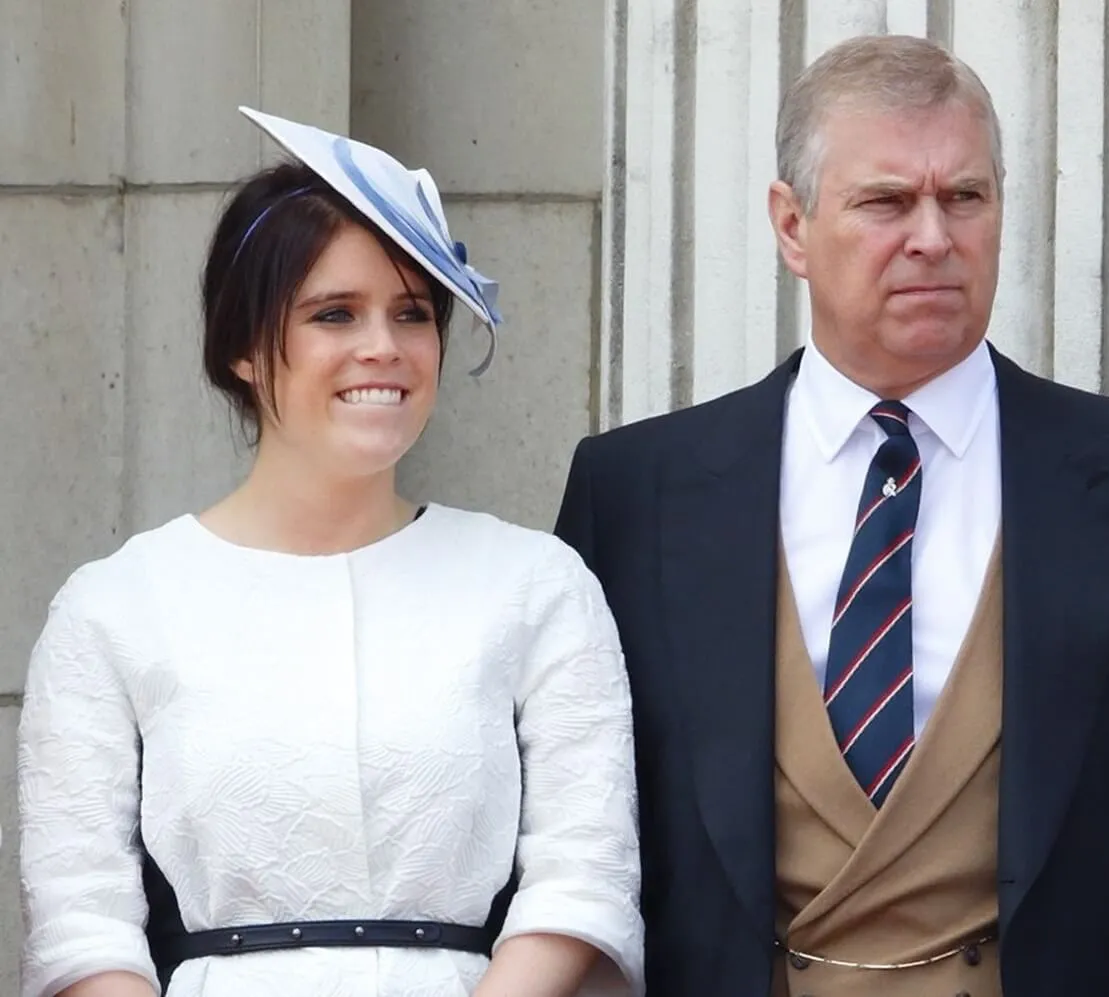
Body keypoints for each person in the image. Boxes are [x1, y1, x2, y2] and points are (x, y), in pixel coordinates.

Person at [554, 33, 1109, 997]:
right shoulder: (637, 489)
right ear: (791, 226)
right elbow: (582, 836)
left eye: (965, 197)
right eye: (886, 201)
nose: (933, 237)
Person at [18, 108, 644, 997]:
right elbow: (80, 917)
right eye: (334, 313)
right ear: (241, 346)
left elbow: (584, 872)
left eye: (413, 313)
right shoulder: (117, 604)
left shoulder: (536, 584)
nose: (383, 347)